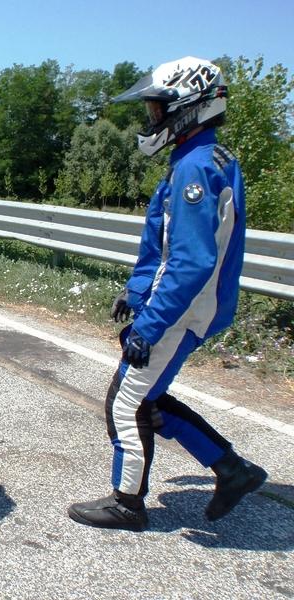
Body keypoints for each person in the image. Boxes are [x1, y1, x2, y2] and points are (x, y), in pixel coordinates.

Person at [68, 57, 267, 532]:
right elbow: (159, 241)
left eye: (158, 109)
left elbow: (192, 261)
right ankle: (232, 470)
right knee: (148, 398)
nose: (152, 119)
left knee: (127, 403)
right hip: (182, 304)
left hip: (181, 310)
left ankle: (127, 504)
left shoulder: (195, 168)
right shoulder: (198, 158)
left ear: (188, 106)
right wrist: (137, 291)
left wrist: (151, 323)